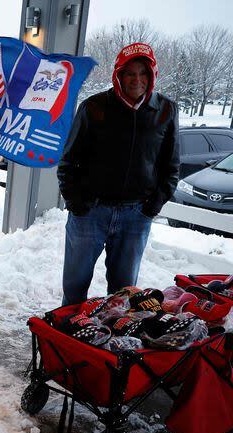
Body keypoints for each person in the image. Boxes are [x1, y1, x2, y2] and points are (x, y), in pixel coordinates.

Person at [58, 42, 179, 306]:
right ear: (119, 75)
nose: (137, 80)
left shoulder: (166, 111)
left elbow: (171, 167)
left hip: (135, 217)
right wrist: (77, 204)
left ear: (152, 75)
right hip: (91, 213)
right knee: (75, 287)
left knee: (124, 295)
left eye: (143, 73)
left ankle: (110, 342)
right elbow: (68, 161)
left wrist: (153, 205)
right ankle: (67, 340)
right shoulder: (94, 107)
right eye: (130, 73)